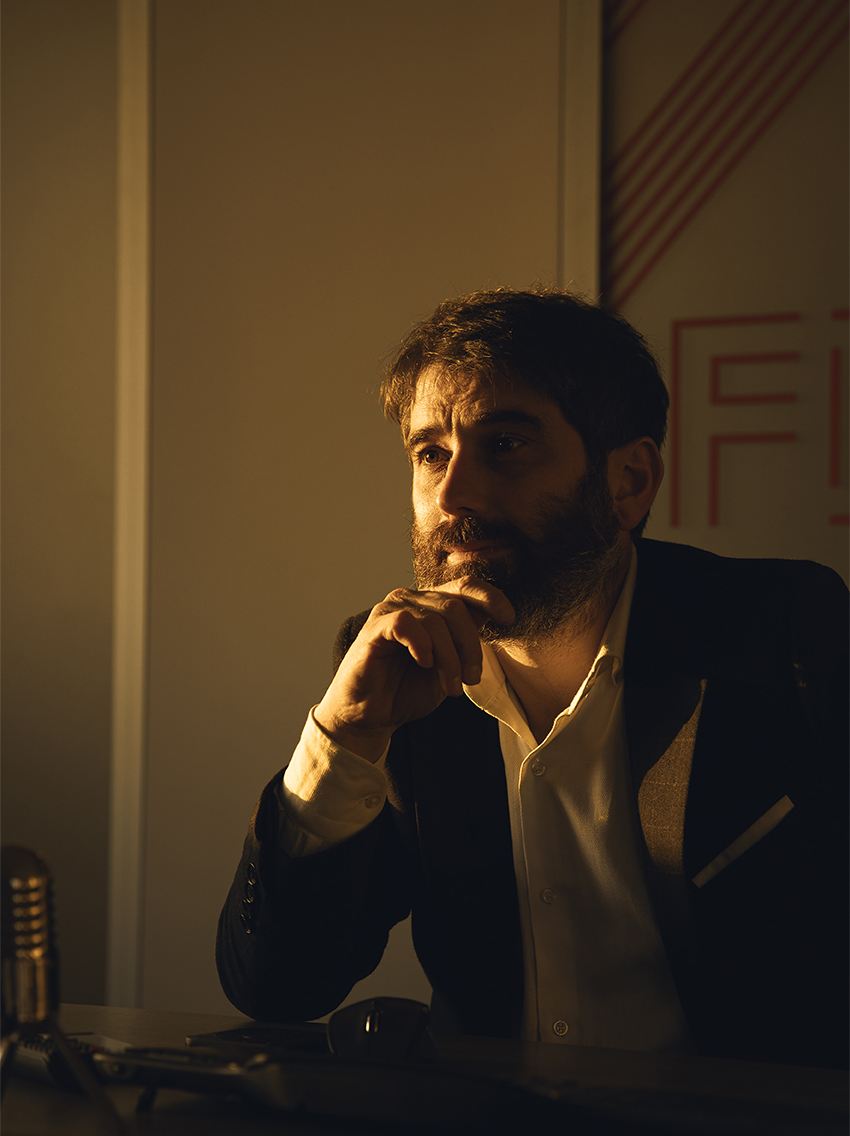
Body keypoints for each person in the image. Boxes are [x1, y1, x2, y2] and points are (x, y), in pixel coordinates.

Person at [217, 288, 848, 1068]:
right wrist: (343, 738)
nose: (453, 495)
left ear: (628, 482)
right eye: (430, 454)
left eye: (506, 445)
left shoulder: (783, 635)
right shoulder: (399, 669)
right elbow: (277, 988)